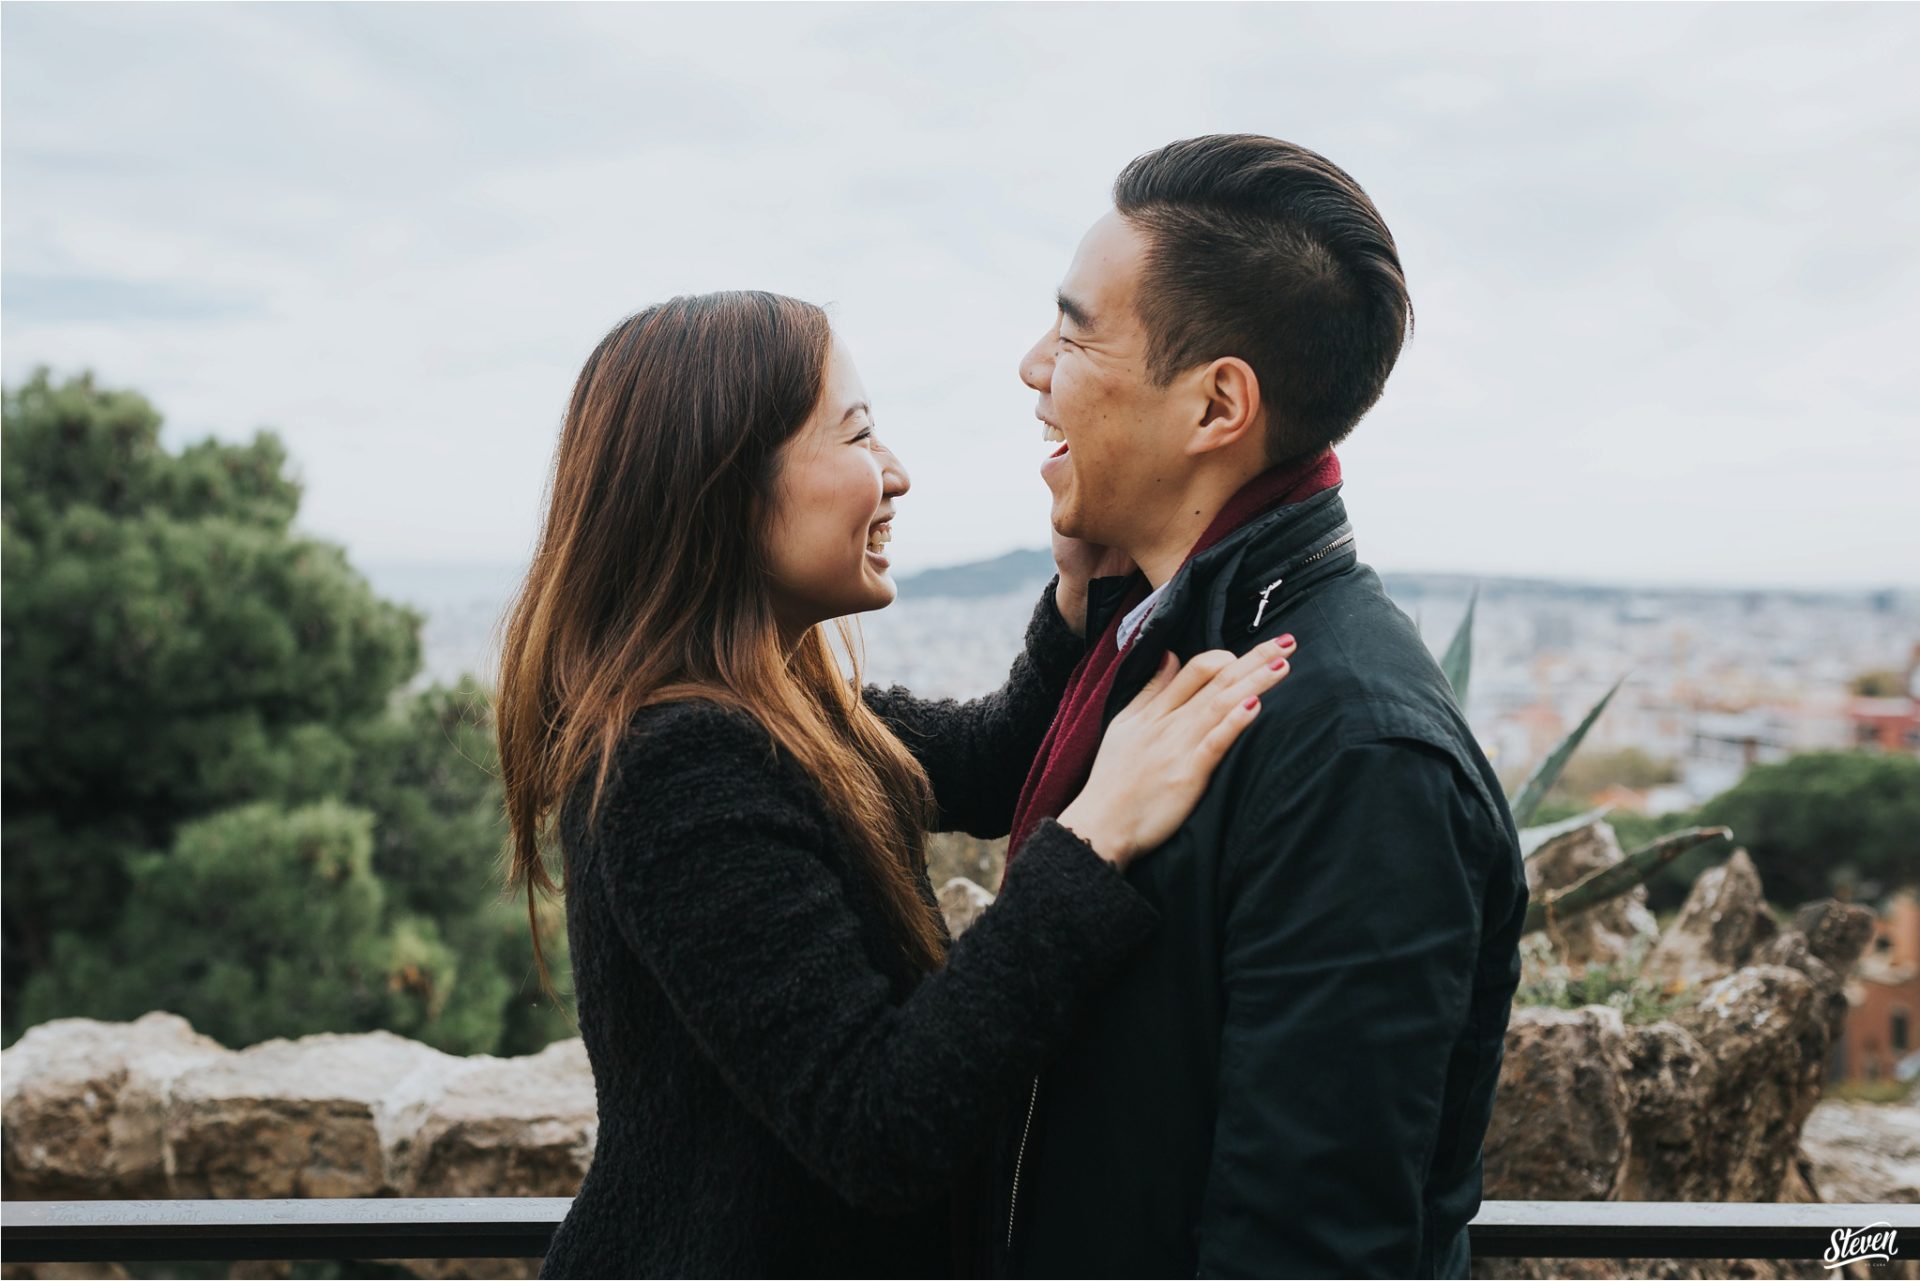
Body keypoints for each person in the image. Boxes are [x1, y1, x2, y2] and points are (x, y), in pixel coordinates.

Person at [494, 290, 1298, 1278]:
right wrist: (1091, 844)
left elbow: (994, 763)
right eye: (860, 436)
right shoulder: (679, 765)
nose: (898, 474)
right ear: (726, 486)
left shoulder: (784, 709)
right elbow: (878, 1125)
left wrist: (1079, 594)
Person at [968, 135, 1530, 1278]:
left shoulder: (1356, 755)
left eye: (1075, 330)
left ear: (1217, 404)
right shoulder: (1165, 647)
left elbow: (1311, 1248)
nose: (1035, 366)